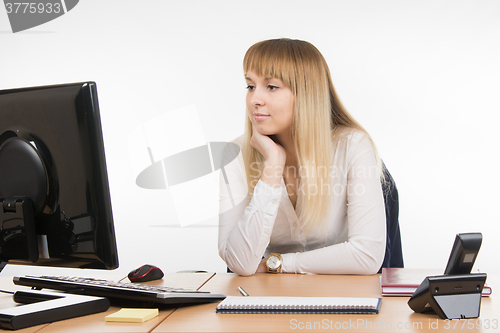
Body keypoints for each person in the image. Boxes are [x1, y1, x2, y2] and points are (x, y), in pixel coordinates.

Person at [218, 38, 386, 276]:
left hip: (340, 296)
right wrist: (273, 164)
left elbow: (366, 256)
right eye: (250, 86)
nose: (255, 99)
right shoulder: (234, 155)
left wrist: (276, 264)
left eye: (271, 87)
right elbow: (241, 263)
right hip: (264, 301)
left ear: (306, 94)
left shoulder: (353, 146)